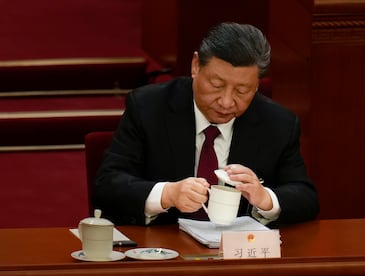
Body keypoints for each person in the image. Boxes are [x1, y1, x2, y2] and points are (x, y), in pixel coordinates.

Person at [92, 22, 319, 228]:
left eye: (242, 91)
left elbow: (305, 197)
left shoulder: (278, 123)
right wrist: (167, 194)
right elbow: (107, 186)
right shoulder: (148, 107)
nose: (227, 102)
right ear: (195, 66)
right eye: (217, 85)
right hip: (163, 251)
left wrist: (265, 198)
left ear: (257, 85)